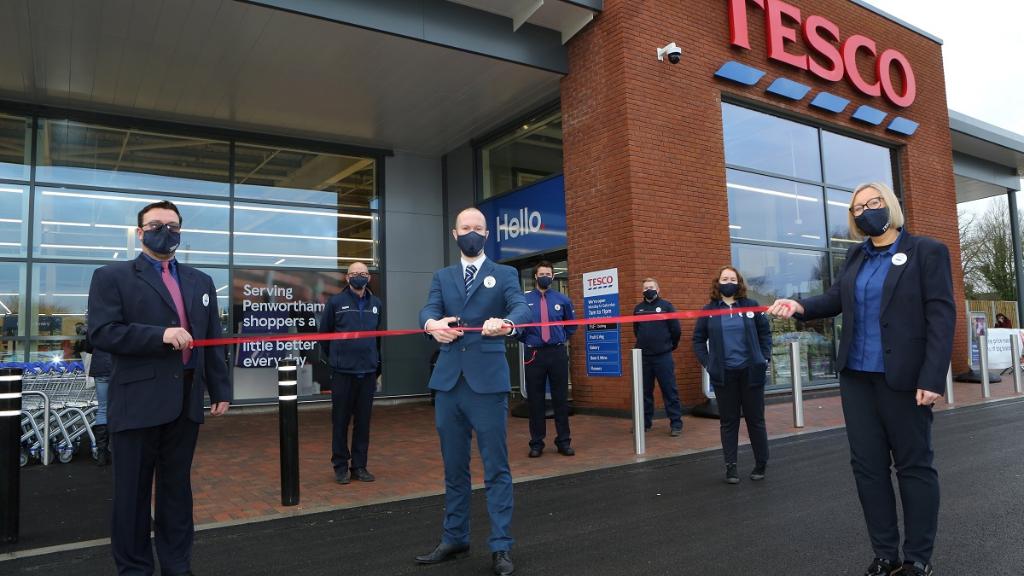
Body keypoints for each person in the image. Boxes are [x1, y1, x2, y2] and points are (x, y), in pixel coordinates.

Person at [767, 182, 954, 576]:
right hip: (857, 378)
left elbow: (941, 316)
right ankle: (885, 554)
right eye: (857, 208)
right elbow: (835, 299)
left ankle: (917, 557)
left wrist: (933, 376)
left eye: (873, 203)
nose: (866, 211)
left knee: (914, 467)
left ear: (890, 206)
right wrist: (799, 305)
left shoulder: (926, 251)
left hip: (904, 380)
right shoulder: (855, 256)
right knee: (868, 469)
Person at [88, 200, 231, 576]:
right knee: (132, 496)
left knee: (176, 493)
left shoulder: (200, 281)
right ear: (140, 232)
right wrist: (160, 335)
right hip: (137, 402)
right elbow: (102, 333)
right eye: (156, 224)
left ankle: (177, 566)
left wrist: (220, 389)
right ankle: (134, 569)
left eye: (173, 225)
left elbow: (212, 336)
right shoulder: (111, 276)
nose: (165, 231)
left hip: (185, 401)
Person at [416, 207, 531, 576]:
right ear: (455, 234)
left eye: (478, 228)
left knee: (496, 468)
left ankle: (500, 546)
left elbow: (521, 307)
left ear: (486, 234)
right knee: (454, 468)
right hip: (448, 384)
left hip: (487, 384)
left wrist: (508, 324)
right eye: (465, 227)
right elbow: (429, 310)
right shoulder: (442, 276)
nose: (471, 233)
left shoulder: (505, 273)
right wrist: (432, 324)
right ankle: (455, 538)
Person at [692, 266, 772, 484]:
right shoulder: (709, 310)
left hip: (751, 372)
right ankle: (731, 467)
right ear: (718, 283)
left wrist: (764, 357)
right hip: (724, 375)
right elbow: (698, 340)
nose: (728, 281)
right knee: (729, 422)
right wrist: (709, 363)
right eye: (724, 278)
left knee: (756, 420)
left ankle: (760, 463)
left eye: (732, 278)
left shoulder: (752, 306)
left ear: (739, 282)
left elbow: (765, 332)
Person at [318, 261, 382, 485]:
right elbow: (324, 336)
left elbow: (378, 337)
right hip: (343, 372)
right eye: (354, 273)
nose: (359, 277)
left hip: (367, 372)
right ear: (346, 278)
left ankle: (360, 466)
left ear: (369, 278)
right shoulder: (336, 302)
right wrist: (336, 359)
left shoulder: (376, 303)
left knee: (363, 423)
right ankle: (340, 466)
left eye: (363, 273)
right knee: (340, 421)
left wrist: (376, 364)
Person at [520, 260, 576, 458]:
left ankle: (564, 441)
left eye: (549, 274)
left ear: (553, 276)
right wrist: (527, 339)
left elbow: (571, 325)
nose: (546, 276)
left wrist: (559, 338)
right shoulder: (524, 300)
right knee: (535, 401)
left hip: (557, 353)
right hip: (534, 354)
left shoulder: (563, 299)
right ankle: (536, 443)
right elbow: (518, 327)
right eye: (542, 273)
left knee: (561, 399)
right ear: (535, 276)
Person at [633, 278, 684, 436]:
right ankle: (645, 423)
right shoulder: (638, 309)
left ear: (658, 289)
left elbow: (676, 330)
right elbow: (637, 330)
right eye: (646, 287)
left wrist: (669, 346)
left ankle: (676, 424)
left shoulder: (667, 307)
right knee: (644, 392)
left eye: (651, 287)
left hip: (663, 357)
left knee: (669, 391)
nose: (648, 289)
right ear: (642, 291)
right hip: (644, 358)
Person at [83, 326, 113, 466]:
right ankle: (113, 448)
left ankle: (101, 452)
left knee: (103, 408)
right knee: (119, 407)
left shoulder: (95, 324)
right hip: (117, 366)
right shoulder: (119, 322)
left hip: (100, 367)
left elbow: (88, 347)